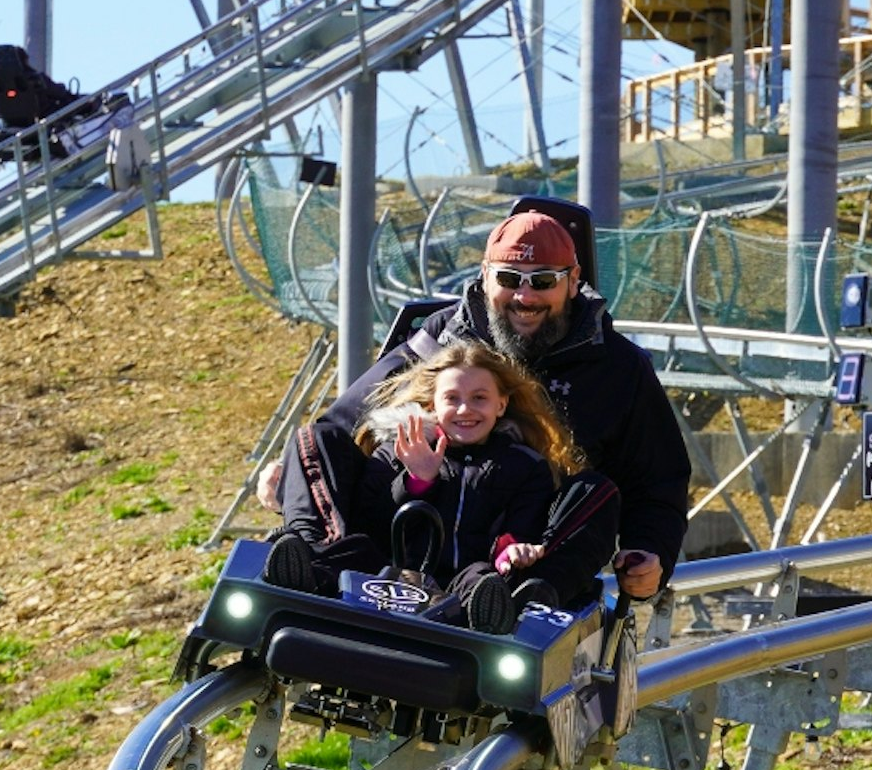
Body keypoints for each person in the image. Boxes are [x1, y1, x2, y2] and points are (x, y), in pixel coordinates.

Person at [260, 204, 690, 605]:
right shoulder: (441, 339)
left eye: (543, 281)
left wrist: (651, 549)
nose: (525, 297)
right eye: (508, 279)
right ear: (485, 277)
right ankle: (311, 558)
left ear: (573, 281)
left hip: (522, 546)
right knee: (315, 440)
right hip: (409, 527)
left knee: (595, 493)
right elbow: (348, 420)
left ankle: (524, 600)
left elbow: (659, 478)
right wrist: (294, 471)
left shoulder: (617, 367)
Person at [266, 341, 598, 634]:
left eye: (479, 398)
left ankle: (488, 617)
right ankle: (305, 570)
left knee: (482, 578)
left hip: (462, 580)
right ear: (432, 405)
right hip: (383, 572)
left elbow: (524, 526)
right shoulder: (399, 448)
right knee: (347, 533)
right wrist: (416, 481)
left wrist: (512, 550)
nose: (465, 409)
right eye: (452, 398)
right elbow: (369, 518)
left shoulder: (524, 465)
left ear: (501, 405)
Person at [0, 34, 80, 125]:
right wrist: (63, 88)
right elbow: (59, 92)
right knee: (76, 101)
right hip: (39, 124)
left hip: (9, 125)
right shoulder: (35, 79)